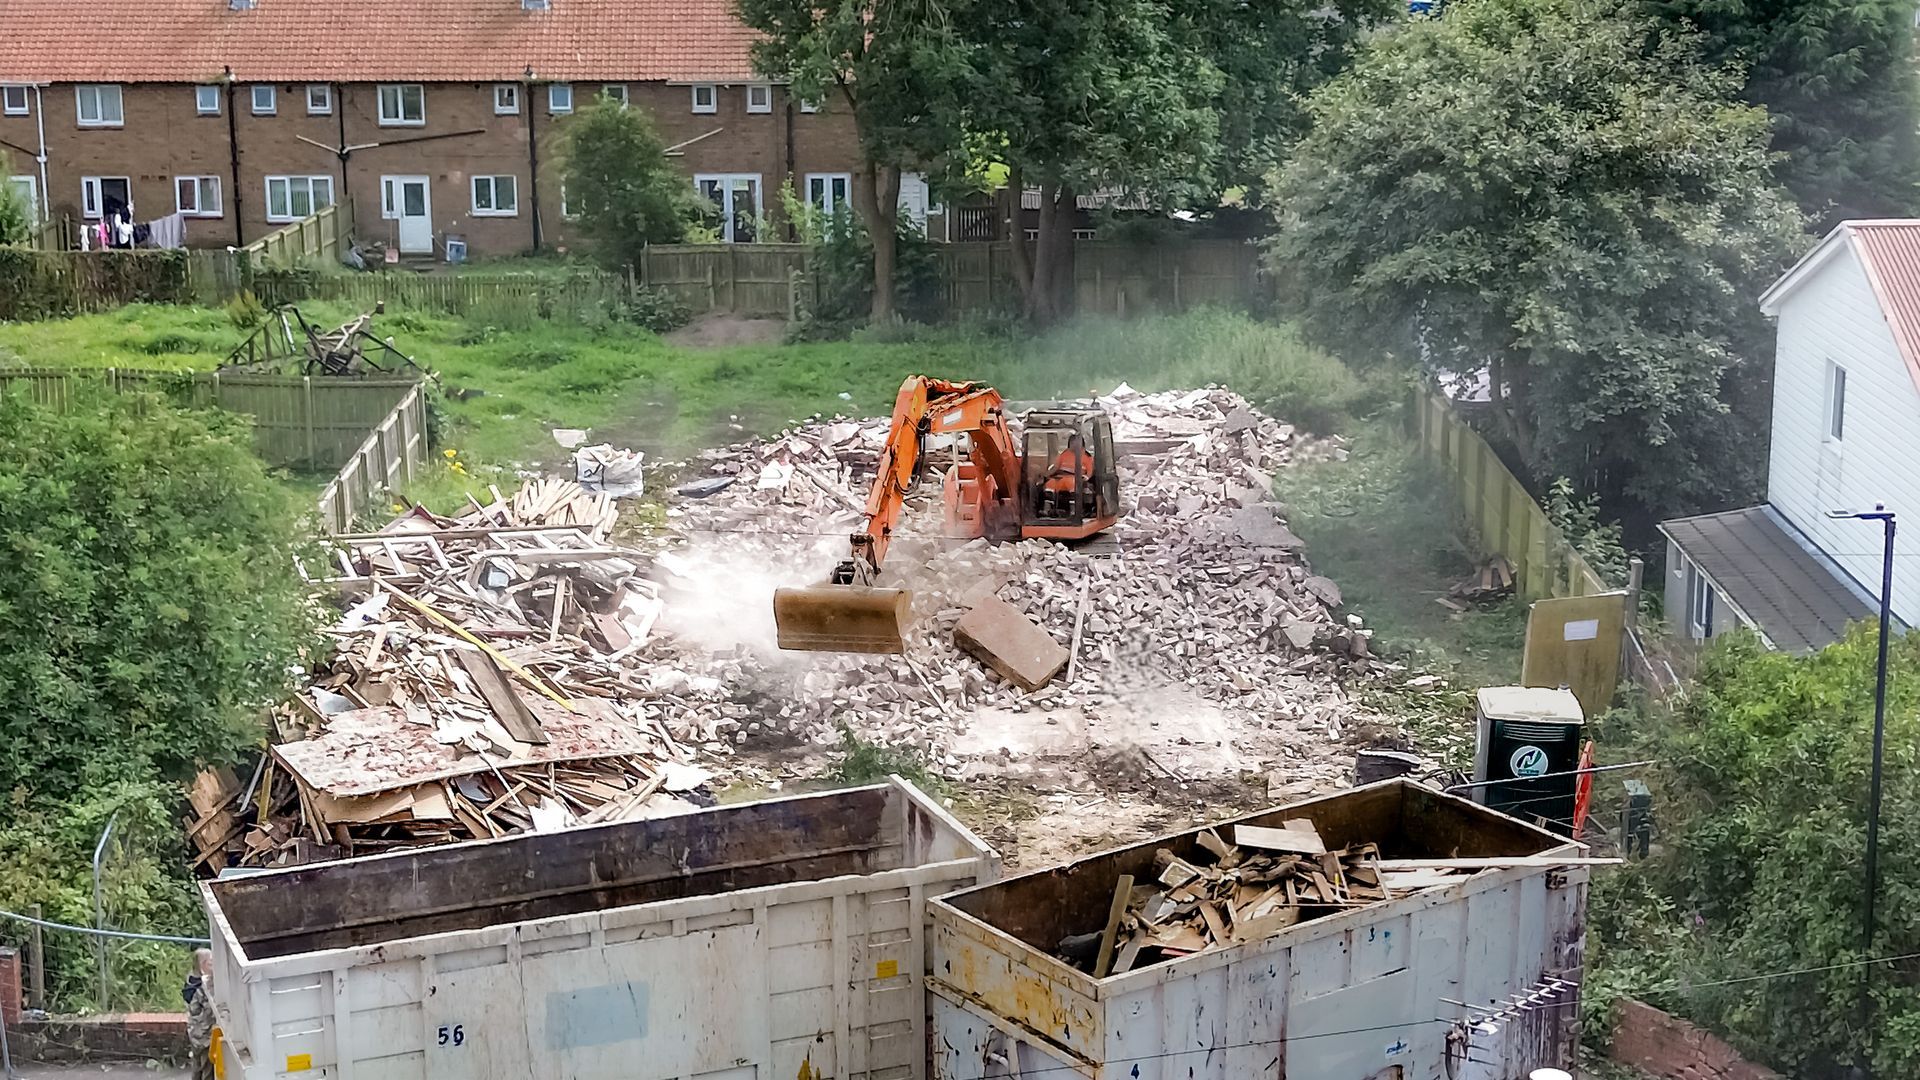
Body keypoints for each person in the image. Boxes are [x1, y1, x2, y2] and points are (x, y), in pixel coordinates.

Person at [186, 948, 215, 1079]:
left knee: (197, 1067)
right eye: (211, 963)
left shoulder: (191, 983)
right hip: (204, 1036)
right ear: (202, 965)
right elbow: (212, 1010)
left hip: (195, 1032)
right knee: (207, 1069)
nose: (214, 967)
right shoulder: (202, 988)